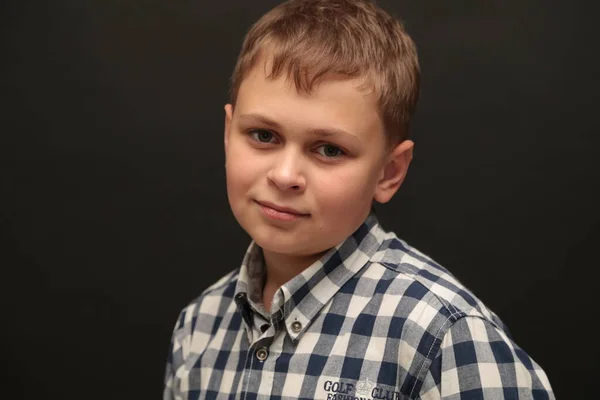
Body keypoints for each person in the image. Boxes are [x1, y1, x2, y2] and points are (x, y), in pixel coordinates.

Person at [163, 0, 555, 398]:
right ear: (229, 134)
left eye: (329, 150)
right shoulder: (198, 327)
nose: (284, 176)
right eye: (264, 135)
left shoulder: (442, 335)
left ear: (389, 172)